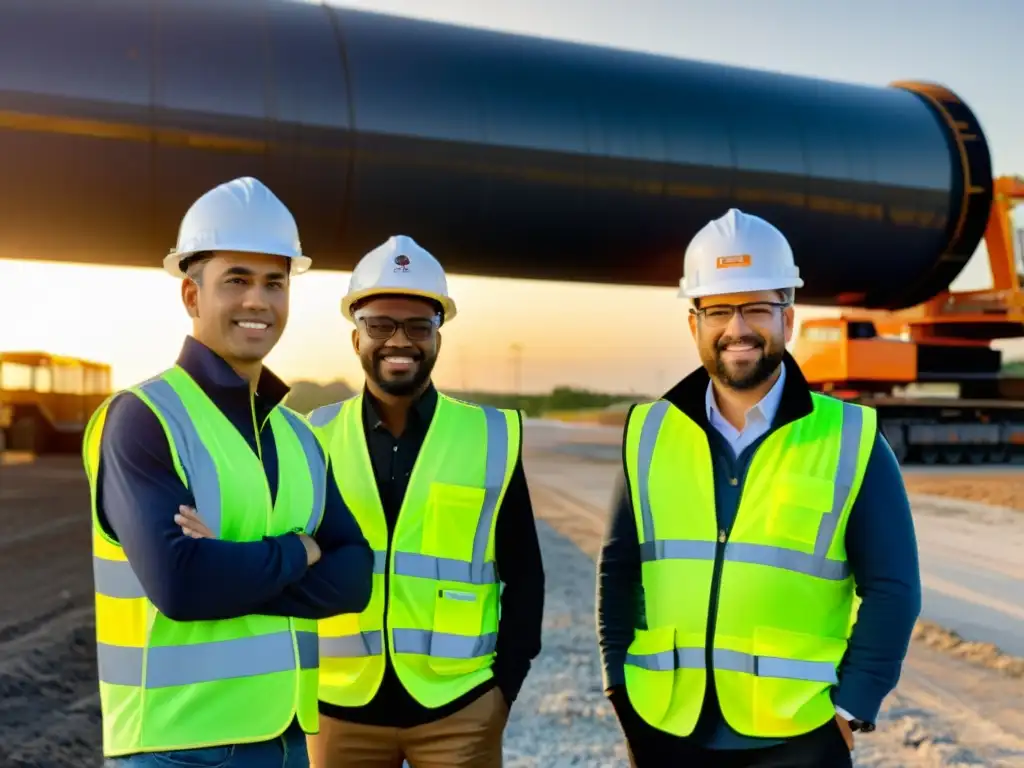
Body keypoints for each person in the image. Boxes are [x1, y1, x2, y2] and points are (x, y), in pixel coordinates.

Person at [596, 208, 922, 767]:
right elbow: (619, 570)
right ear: (693, 322)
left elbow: (894, 589)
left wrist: (851, 709)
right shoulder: (648, 433)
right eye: (719, 309)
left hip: (798, 737)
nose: (737, 329)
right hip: (667, 730)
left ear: (788, 319)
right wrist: (619, 689)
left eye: (756, 308)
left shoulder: (852, 438)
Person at [82, 176, 375, 767]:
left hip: (289, 742)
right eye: (236, 280)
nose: (257, 301)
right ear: (191, 296)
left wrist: (232, 566)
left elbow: (356, 576)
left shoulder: (297, 437)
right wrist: (301, 548)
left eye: (275, 282)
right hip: (176, 748)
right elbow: (183, 586)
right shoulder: (144, 419)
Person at [304, 235, 545, 767]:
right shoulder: (311, 438)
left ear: (439, 336)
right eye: (380, 324)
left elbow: (525, 573)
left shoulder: (491, 436)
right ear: (355, 337)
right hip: (339, 711)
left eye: (418, 325)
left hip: (459, 709)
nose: (400, 340)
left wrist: (502, 689)